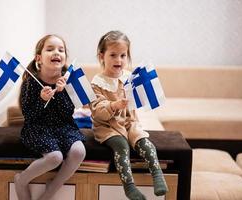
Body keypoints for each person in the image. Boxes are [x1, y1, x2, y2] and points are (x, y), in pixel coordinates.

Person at [89, 30, 168, 200]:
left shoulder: (129, 77)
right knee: (121, 145)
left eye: (123, 55)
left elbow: (138, 100)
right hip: (108, 126)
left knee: (143, 141)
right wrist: (115, 104)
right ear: (102, 56)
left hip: (129, 122)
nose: (119, 60)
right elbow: (98, 111)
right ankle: (129, 186)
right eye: (113, 55)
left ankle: (157, 174)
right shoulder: (97, 82)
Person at [14, 34, 86, 200]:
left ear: (65, 57)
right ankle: (21, 179)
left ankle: (52, 189)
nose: (56, 52)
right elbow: (29, 115)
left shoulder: (67, 81)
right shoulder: (31, 81)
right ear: (39, 58)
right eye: (50, 49)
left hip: (64, 126)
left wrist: (60, 93)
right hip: (38, 128)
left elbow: (67, 113)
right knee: (55, 157)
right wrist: (42, 99)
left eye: (61, 50)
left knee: (78, 151)